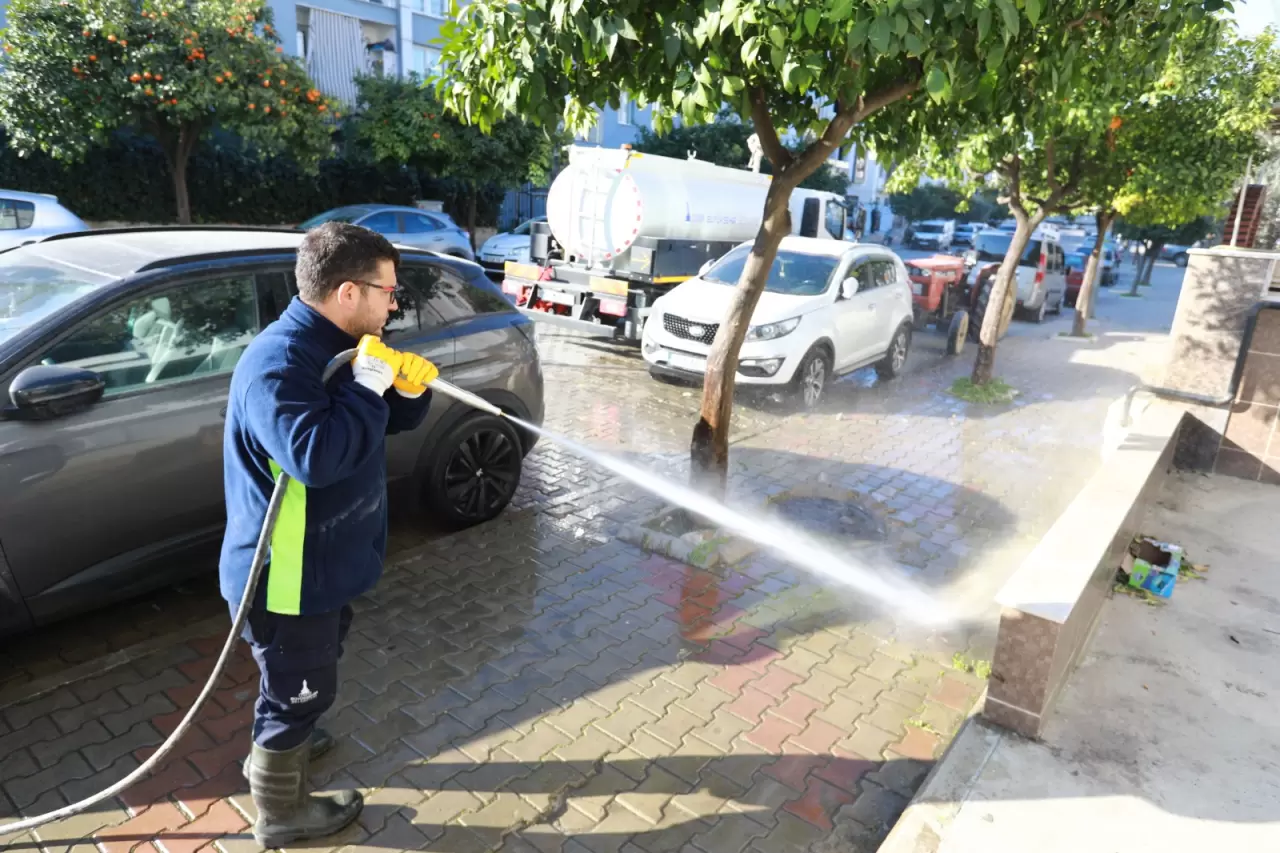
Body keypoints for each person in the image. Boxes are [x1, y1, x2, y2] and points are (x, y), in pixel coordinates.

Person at [218, 222, 437, 847]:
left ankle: (287, 736)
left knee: (306, 674)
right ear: (347, 291)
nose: (393, 303)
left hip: (324, 565)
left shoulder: (341, 343)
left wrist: (406, 392)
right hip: (287, 578)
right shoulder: (281, 364)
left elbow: (366, 424)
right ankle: (281, 811)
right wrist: (371, 383)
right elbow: (315, 456)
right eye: (387, 291)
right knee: (296, 690)